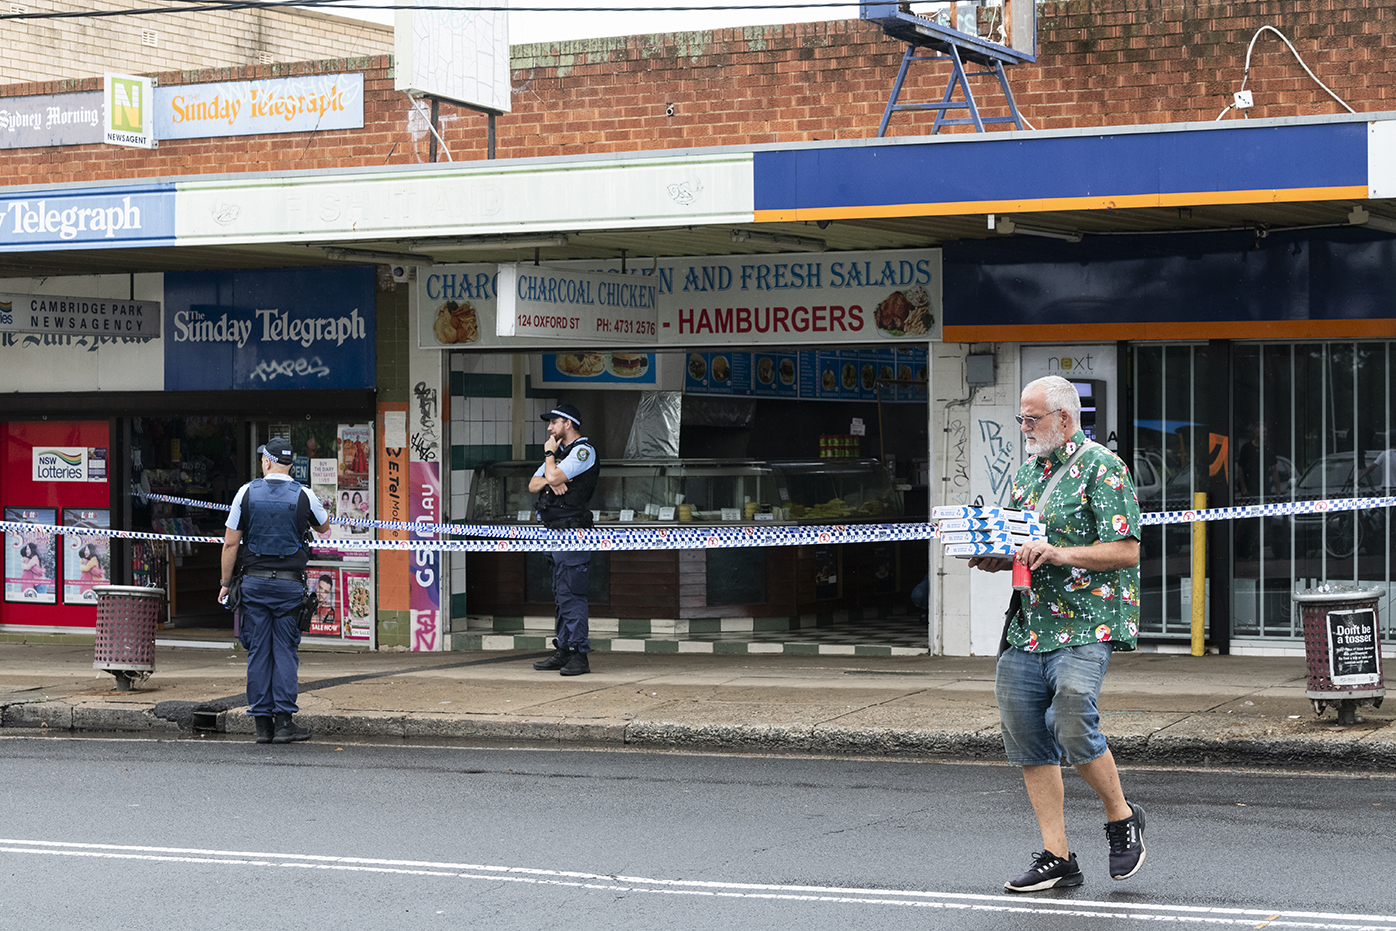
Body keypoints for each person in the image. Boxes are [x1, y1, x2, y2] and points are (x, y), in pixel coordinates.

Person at [968, 375, 1145, 893]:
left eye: (1031, 418)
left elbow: (1128, 549)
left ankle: (1121, 815)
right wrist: (996, 558)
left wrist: (1062, 553)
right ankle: (1057, 855)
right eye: (1021, 418)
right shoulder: (1027, 476)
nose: (1023, 427)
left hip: (1086, 623)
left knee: (1071, 718)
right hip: (1029, 626)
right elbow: (1024, 546)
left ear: (1064, 419)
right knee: (1026, 736)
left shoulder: (1104, 468)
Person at [219, 437, 330, 745]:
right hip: (289, 586)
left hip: (253, 585)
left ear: (266, 461)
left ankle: (262, 726)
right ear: (290, 464)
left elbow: (230, 543)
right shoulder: (304, 494)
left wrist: (226, 583)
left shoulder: (246, 492)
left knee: (258, 653)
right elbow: (323, 525)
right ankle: (284, 723)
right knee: (284, 651)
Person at [528, 403, 600, 677]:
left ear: (568, 424)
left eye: (554, 422)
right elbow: (533, 483)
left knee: (572, 594)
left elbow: (554, 474)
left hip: (572, 534)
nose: (550, 428)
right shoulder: (562, 455)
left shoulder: (583, 451)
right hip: (554, 533)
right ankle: (565, 649)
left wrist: (550, 459)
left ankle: (579, 655)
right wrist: (551, 478)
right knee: (560, 595)